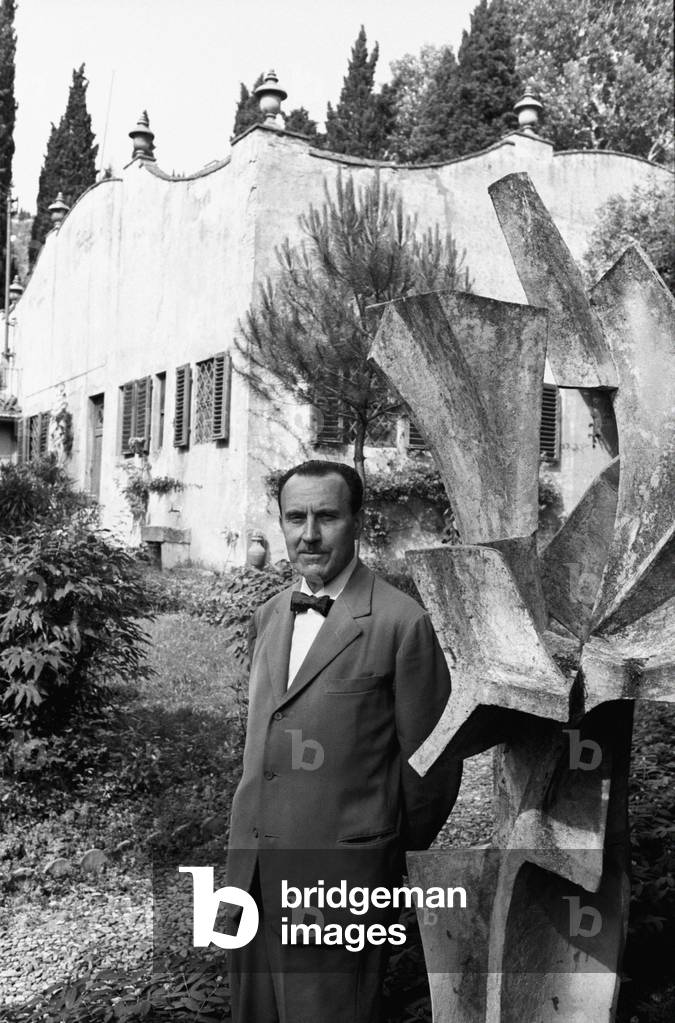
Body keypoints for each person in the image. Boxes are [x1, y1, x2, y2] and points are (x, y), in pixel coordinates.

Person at [227, 459, 462, 1023]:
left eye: (326, 516)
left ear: (357, 521)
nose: (309, 533)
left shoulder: (403, 623)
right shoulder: (268, 616)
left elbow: (432, 767)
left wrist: (378, 860)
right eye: (295, 517)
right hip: (252, 873)